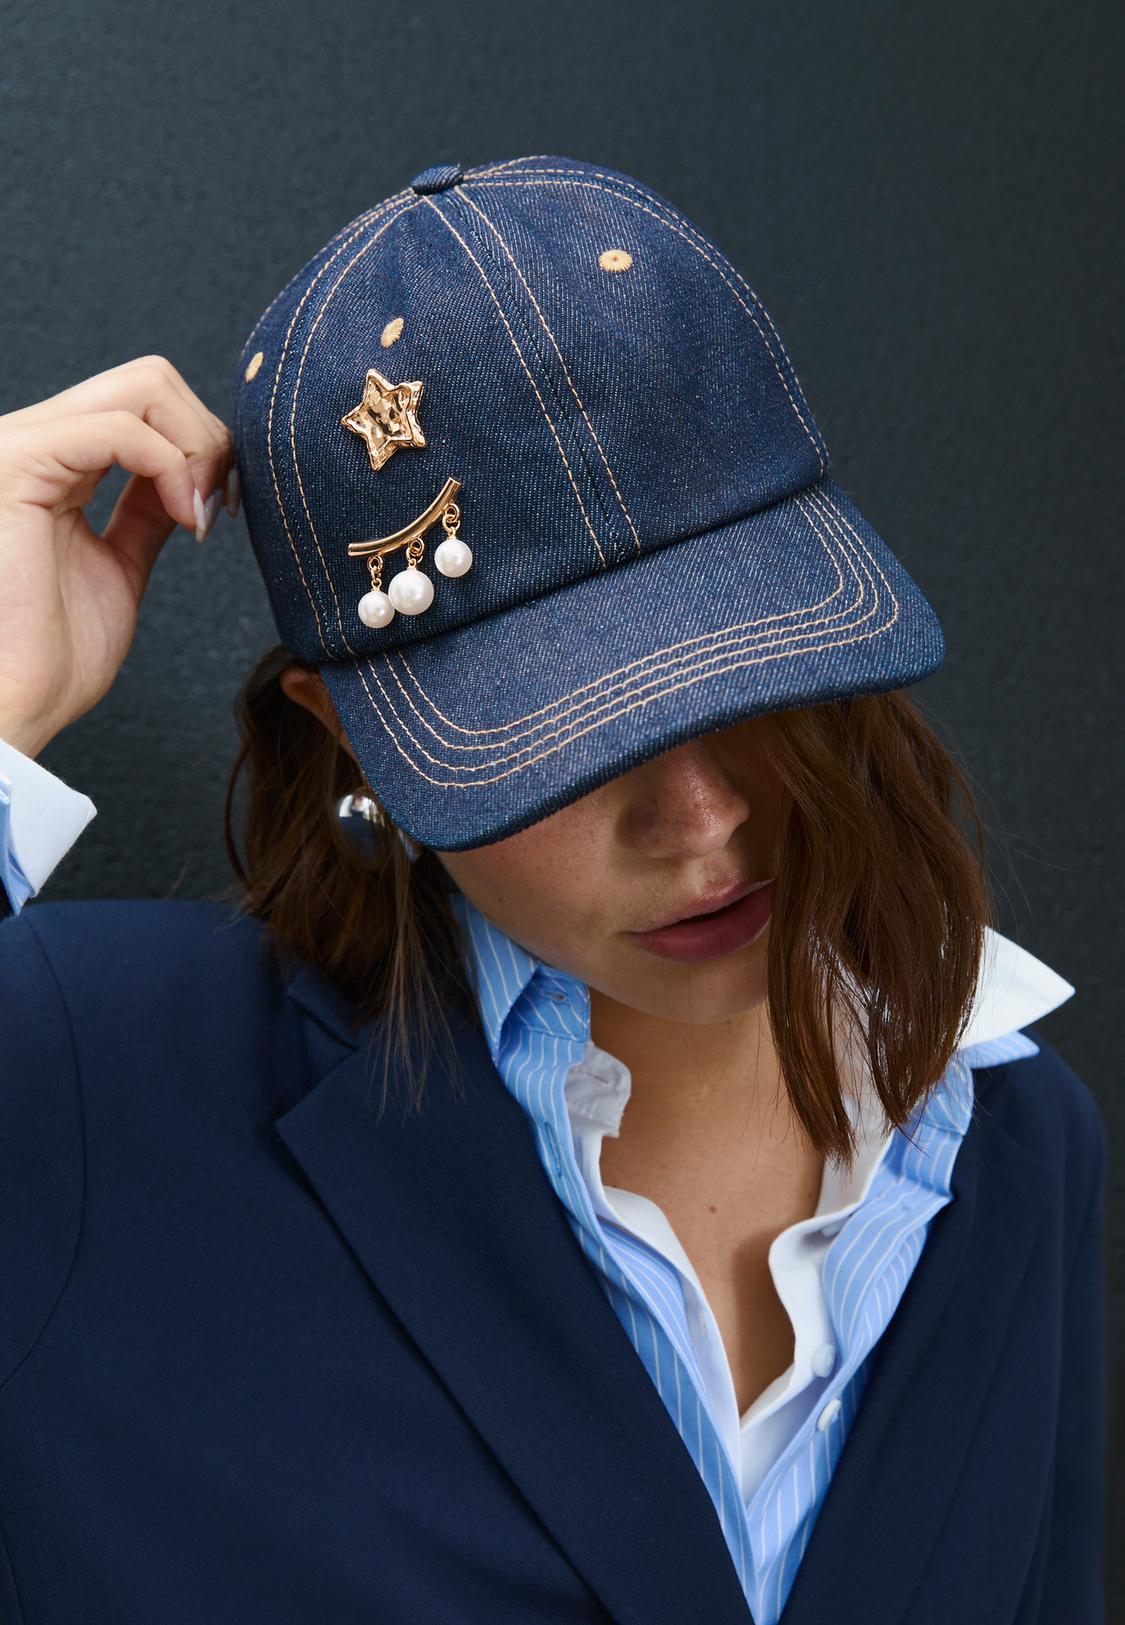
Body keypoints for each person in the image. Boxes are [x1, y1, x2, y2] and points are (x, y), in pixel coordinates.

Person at [0, 156, 1106, 1625]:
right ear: (352, 738)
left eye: (753, 675)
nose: (704, 816)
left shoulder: (1014, 1136)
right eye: (560, 739)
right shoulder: (92, 1078)